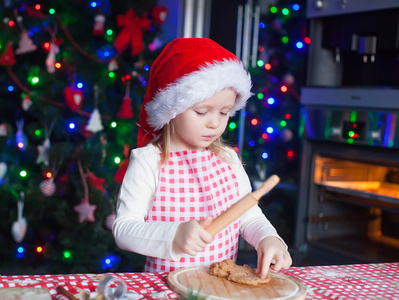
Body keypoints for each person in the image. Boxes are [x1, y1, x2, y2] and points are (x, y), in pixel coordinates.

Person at [112, 37, 292, 278]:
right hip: (165, 290)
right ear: (172, 108)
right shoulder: (148, 161)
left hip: (219, 288)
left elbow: (247, 215)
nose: (215, 122)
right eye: (201, 111)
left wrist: (268, 238)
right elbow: (124, 229)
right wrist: (173, 235)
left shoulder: (228, 158)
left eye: (225, 112)